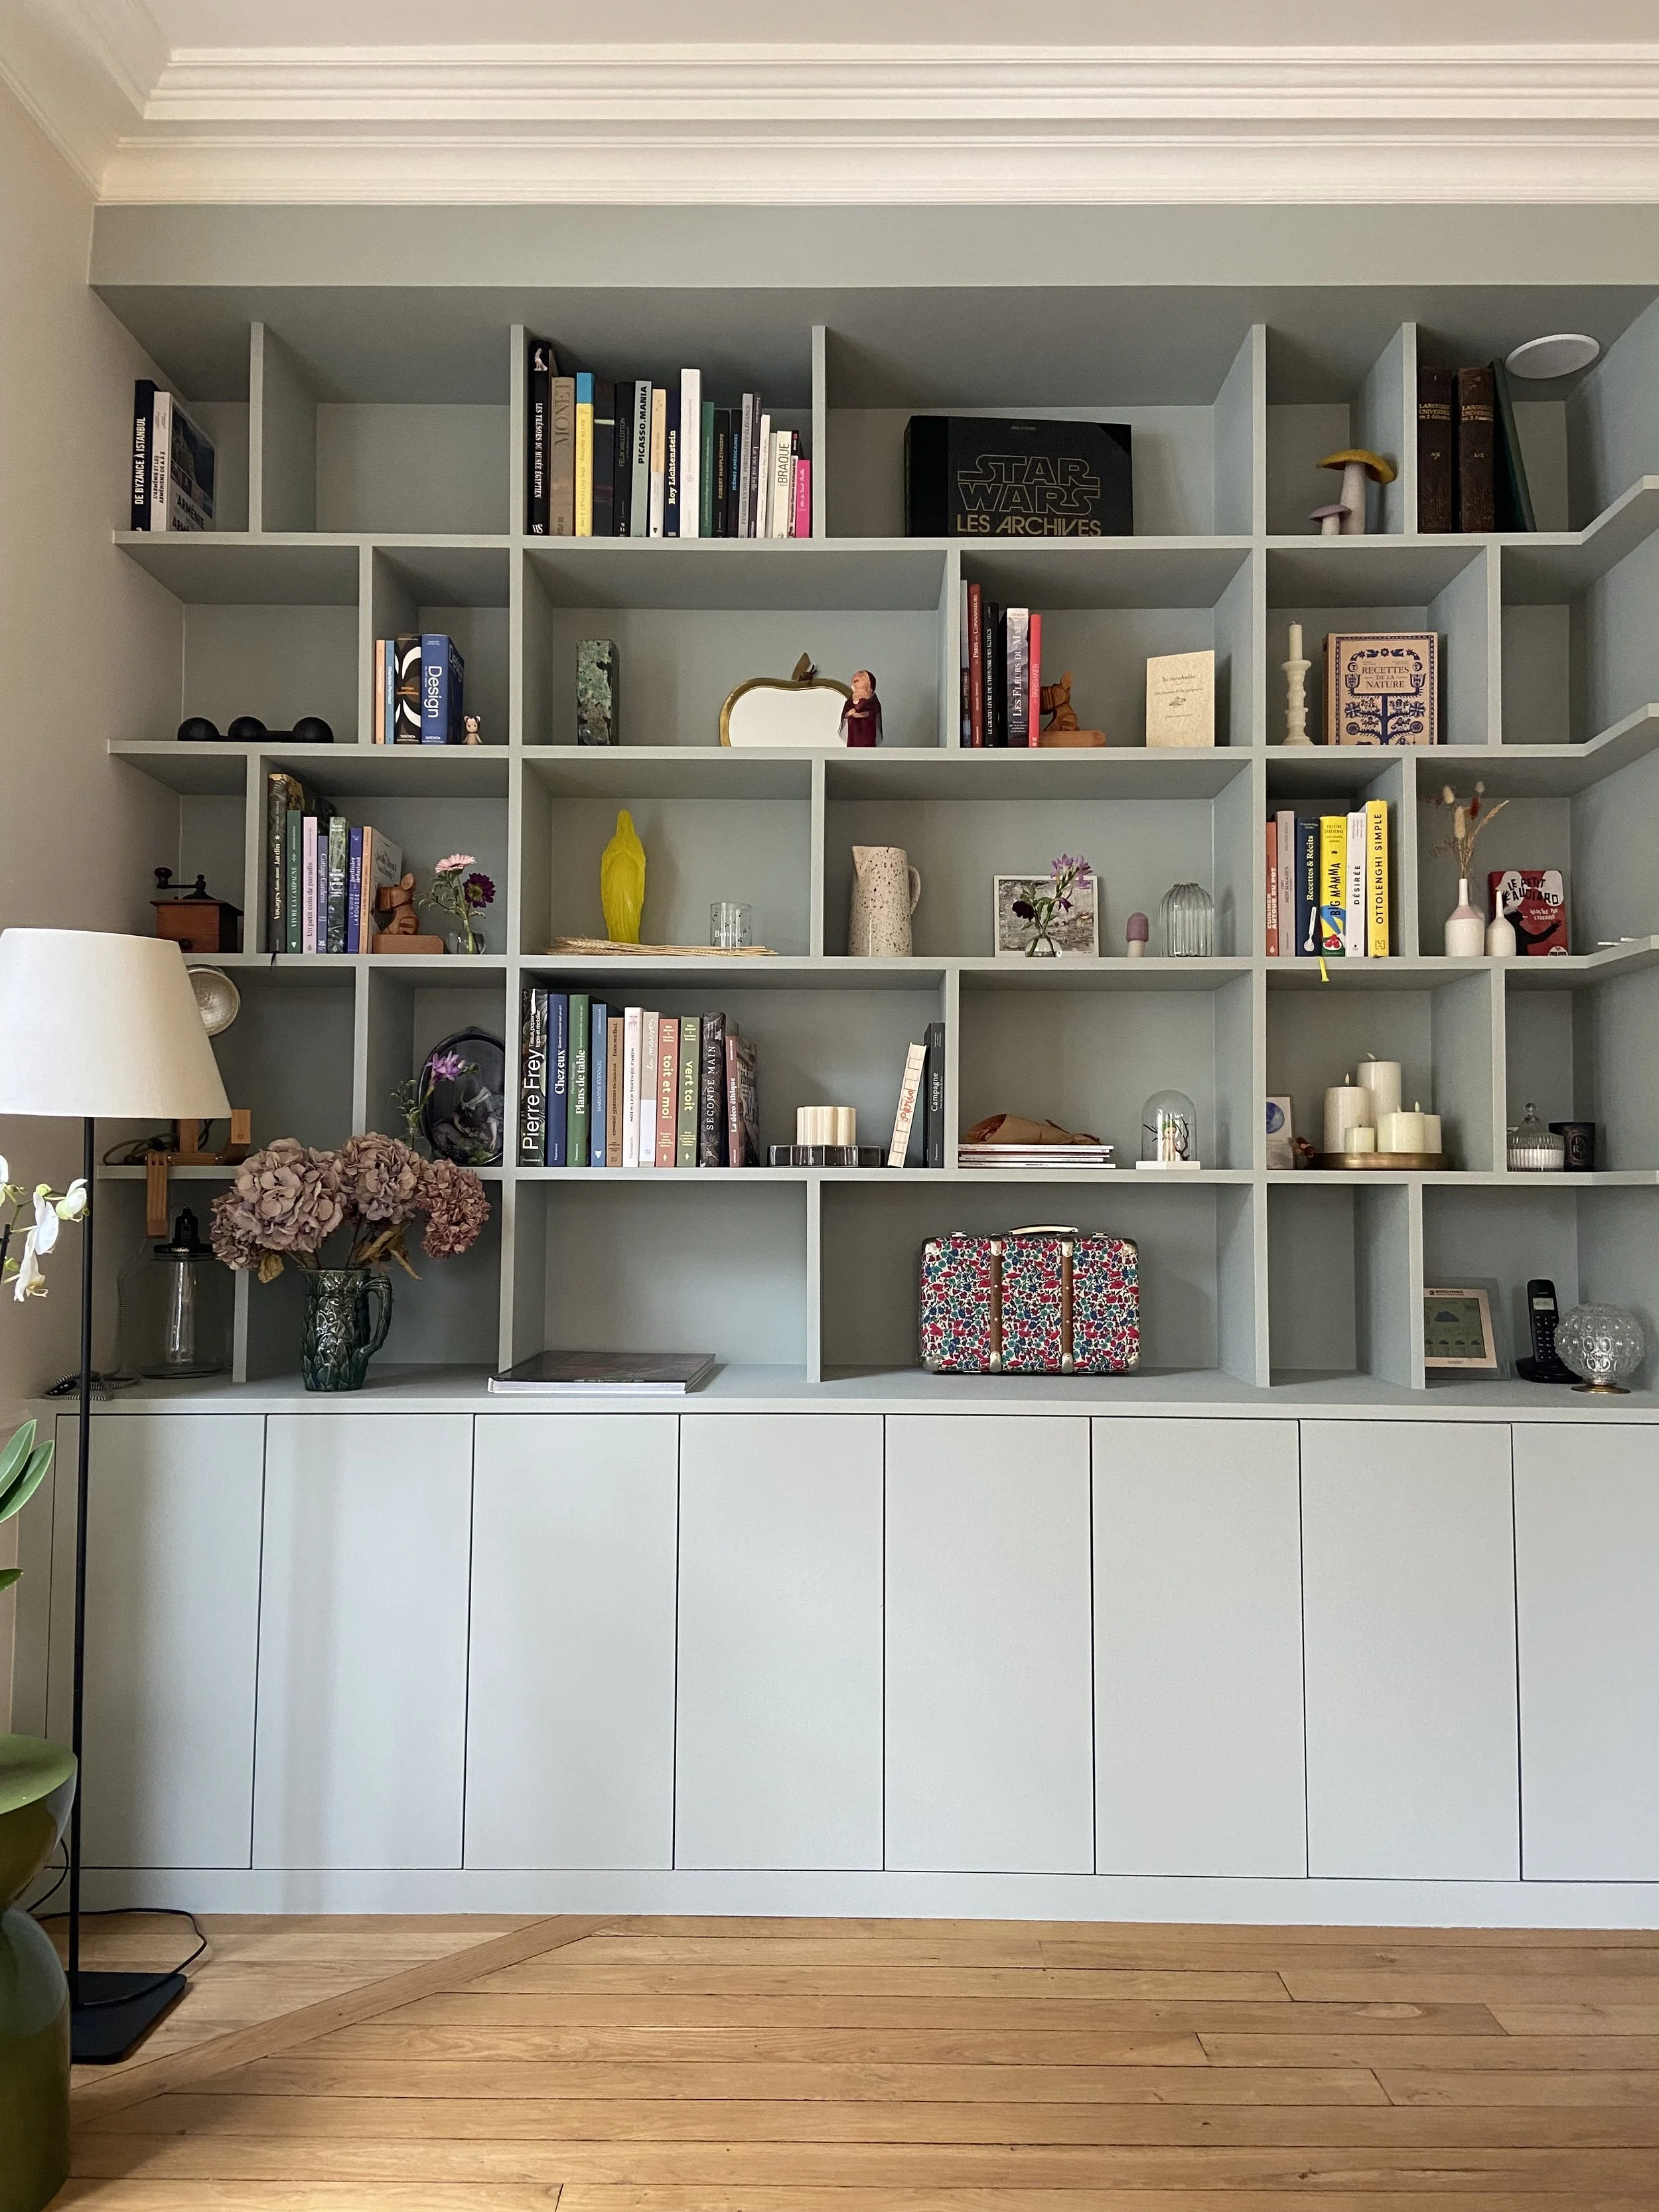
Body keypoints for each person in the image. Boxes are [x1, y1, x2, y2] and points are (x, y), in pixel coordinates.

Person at [840, 669, 882, 748]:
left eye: (861, 675)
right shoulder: (850, 701)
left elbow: (873, 711)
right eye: (855, 676)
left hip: (867, 727)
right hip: (853, 728)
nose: (856, 676)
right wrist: (850, 713)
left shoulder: (872, 700)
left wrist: (861, 715)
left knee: (866, 745)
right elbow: (845, 714)